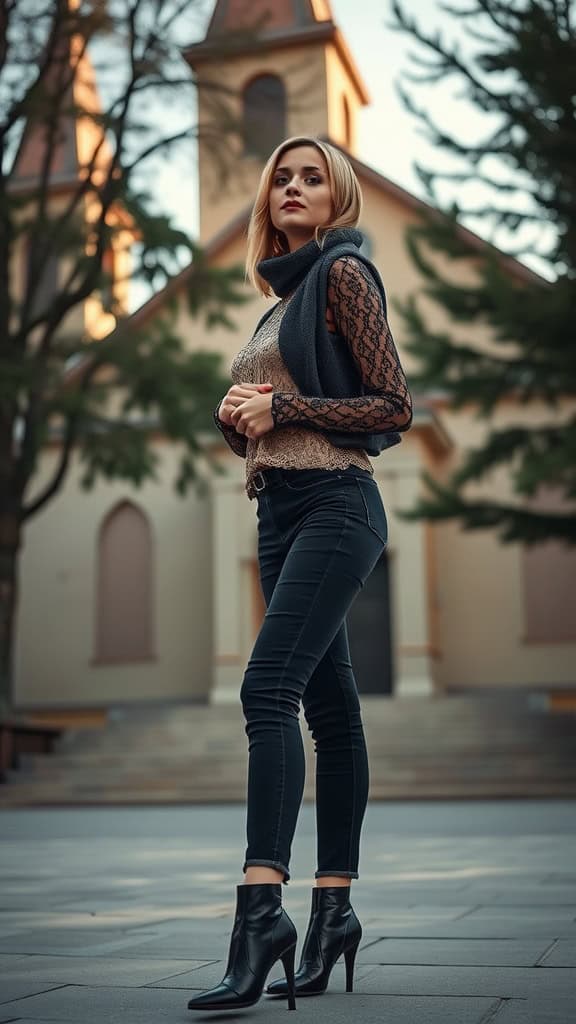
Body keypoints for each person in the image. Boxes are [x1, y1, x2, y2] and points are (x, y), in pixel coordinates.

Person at [187, 136, 412, 1013]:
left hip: (336, 505)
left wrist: (280, 406)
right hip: (277, 516)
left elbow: (392, 405)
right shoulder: (278, 301)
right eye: (281, 177)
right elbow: (274, 421)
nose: (292, 187)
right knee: (332, 714)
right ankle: (335, 913)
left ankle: (259, 915)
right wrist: (239, 417)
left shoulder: (345, 275)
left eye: (311, 178)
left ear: (337, 198)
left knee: (264, 689)